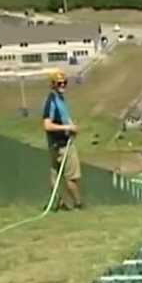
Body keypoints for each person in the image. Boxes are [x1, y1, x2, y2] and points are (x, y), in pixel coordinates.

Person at [42, 69, 83, 211]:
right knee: (70, 178)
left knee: (57, 178)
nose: (63, 85)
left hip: (62, 142)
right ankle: (78, 205)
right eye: (59, 83)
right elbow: (47, 125)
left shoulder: (60, 99)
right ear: (52, 84)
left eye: (65, 83)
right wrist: (68, 128)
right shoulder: (51, 101)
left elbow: (64, 117)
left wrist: (71, 127)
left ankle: (61, 204)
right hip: (61, 146)